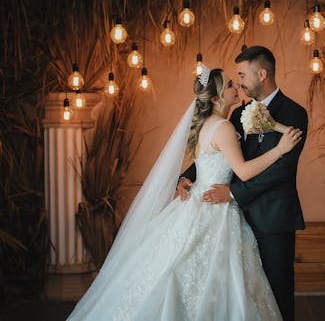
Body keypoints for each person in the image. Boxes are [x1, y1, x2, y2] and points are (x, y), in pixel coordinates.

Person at [66, 66, 303, 321]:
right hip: (215, 207)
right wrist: (280, 149)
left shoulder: (205, 124)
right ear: (216, 98)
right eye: (230, 85)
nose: (237, 88)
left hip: (199, 200)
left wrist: (184, 178)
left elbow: (203, 165)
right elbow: (243, 172)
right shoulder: (223, 127)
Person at [178, 46, 308, 321]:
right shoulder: (237, 114)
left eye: (242, 75)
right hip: (234, 220)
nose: (239, 83)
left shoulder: (294, 114)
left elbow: (283, 170)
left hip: (272, 217)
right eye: (234, 78)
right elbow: (217, 154)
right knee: (241, 295)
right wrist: (186, 176)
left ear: (262, 74)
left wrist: (233, 193)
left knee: (275, 294)